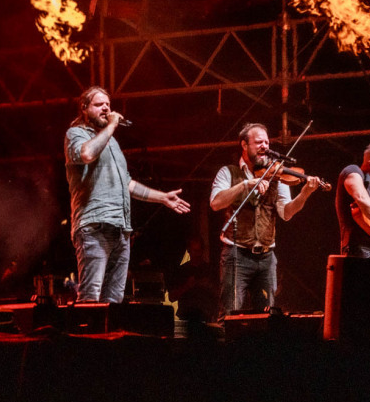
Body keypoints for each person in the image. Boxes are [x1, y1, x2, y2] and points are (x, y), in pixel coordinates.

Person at [64, 86, 190, 303]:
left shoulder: (112, 142)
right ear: (84, 108)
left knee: (114, 298)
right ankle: (86, 327)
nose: (106, 108)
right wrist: (112, 125)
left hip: (120, 229)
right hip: (94, 226)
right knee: (91, 295)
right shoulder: (76, 134)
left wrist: (162, 197)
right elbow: (87, 154)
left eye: (108, 105)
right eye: (99, 105)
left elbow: (127, 183)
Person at [209, 122, 322, 318]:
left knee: (266, 317)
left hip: (266, 257)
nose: (264, 146)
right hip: (236, 254)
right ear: (244, 145)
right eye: (259, 142)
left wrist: (304, 194)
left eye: (267, 142)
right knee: (229, 314)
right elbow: (216, 203)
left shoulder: (276, 174)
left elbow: (287, 213)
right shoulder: (228, 172)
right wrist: (245, 185)